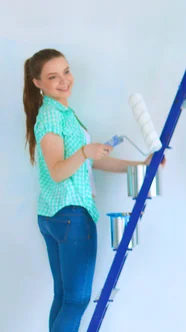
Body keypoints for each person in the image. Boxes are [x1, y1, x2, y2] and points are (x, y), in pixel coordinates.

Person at [23, 48, 165, 332]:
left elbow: (89, 164)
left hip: (58, 217)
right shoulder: (51, 117)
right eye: (53, 77)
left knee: (66, 298)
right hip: (70, 217)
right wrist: (86, 152)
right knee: (76, 300)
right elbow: (59, 170)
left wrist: (139, 165)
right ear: (38, 83)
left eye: (66, 71)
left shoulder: (63, 113)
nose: (64, 80)